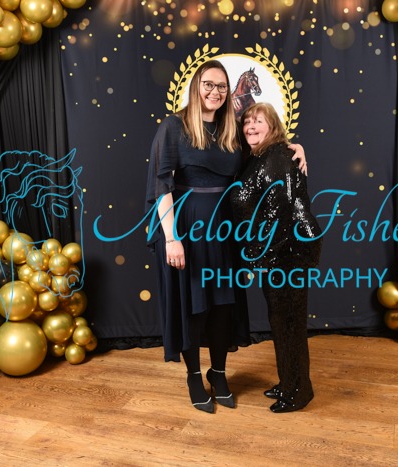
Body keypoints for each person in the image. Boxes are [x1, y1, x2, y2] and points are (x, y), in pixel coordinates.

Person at [145, 60, 306, 413]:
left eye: (221, 86)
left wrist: (294, 147)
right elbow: (162, 186)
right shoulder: (174, 127)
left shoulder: (231, 128)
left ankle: (218, 373)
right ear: (196, 86)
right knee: (193, 307)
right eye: (208, 84)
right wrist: (171, 238)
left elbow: (264, 149)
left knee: (222, 307)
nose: (215, 92)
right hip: (186, 228)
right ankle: (193, 376)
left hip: (225, 230)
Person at [230, 102, 322, 413]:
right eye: (247, 123)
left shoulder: (278, 156)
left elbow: (280, 210)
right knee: (281, 321)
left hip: (289, 250)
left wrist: (260, 254)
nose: (251, 127)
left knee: (290, 322)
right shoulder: (258, 157)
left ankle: (300, 390)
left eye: (258, 121)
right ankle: (289, 381)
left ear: (273, 127)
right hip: (276, 251)